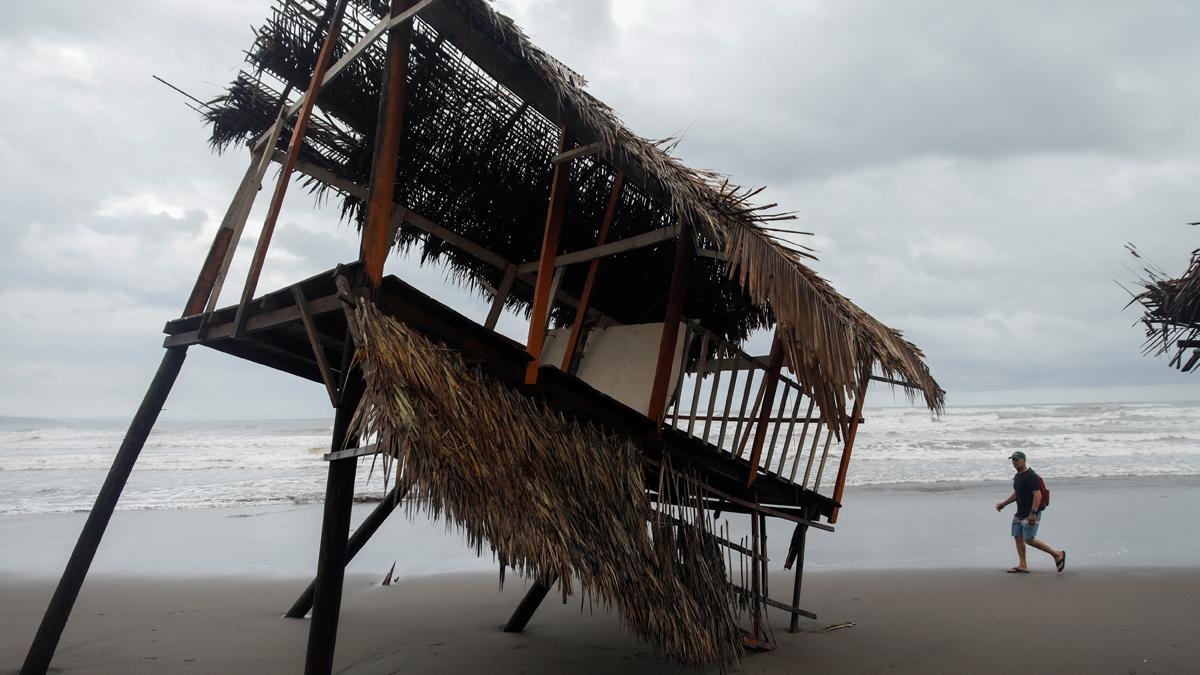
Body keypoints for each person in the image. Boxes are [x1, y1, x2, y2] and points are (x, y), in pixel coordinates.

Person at [994, 451, 1065, 573]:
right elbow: (1017, 493)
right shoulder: (1017, 476)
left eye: (1016, 460)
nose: (1014, 462)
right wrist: (1004, 504)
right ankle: (1023, 565)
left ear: (1024, 460)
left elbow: (1037, 494)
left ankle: (1057, 554)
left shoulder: (1031, 476)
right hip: (1020, 513)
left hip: (1031, 513)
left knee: (1029, 539)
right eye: (1013, 460)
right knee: (1018, 537)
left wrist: (1033, 513)